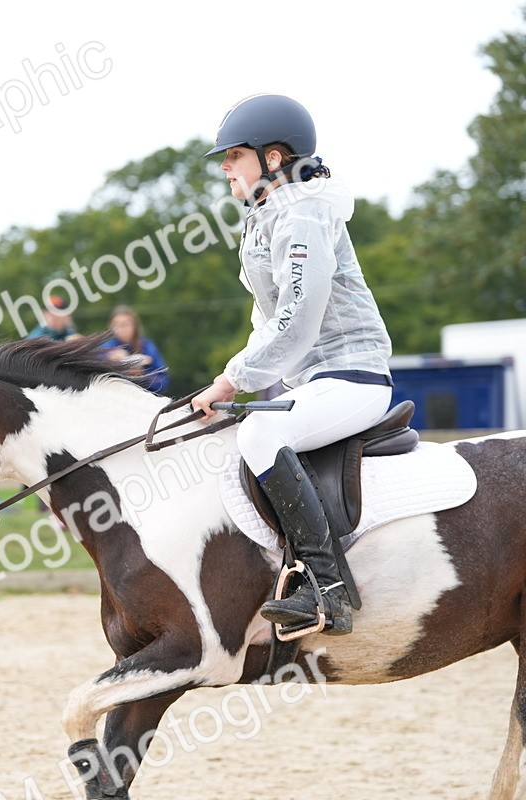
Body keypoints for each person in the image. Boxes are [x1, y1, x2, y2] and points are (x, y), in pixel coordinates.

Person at [191, 94, 393, 637]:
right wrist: (232, 380)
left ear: (273, 158)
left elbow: (297, 318)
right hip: (313, 381)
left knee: (261, 433)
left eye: (234, 155)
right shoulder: (266, 217)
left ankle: (327, 589)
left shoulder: (304, 212)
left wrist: (232, 381)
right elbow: (266, 321)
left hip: (352, 375)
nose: (225, 167)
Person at [99, 305, 170, 394]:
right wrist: (109, 362)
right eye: (116, 325)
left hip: (143, 397)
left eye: (125, 324)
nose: (120, 329)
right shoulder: (106, 349)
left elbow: (163, 382)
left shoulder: (147, 347)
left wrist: (142, 375)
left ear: (134, 326)